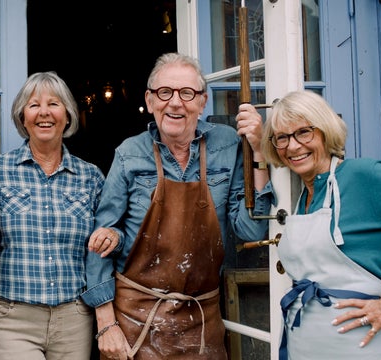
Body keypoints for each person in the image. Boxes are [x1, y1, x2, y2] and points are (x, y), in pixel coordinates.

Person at [81, 52, 274, 359]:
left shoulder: (228, 146)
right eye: (164, 92)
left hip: (201, 321)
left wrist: (259, 153)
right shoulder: (129, 154)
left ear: (203, 101)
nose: (175, 103)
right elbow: (101, 239)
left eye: (187, 93)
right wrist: (106, 324)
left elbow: (251, 229)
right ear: (150, 99)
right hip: (135, 318)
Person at [261, 90, 381, 359]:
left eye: (304, 132)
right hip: (302, 345)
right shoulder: (303, 195)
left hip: (360, 348)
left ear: (325, 131)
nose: (292, 146)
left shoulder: (366, 177)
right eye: (282, 137)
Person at [0, 71, 106, 359]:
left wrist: (112, 234)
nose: (44, 113)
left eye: (54, 104)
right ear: (22, 117)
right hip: (10, 315)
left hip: (73, 316)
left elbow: (108, 240)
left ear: (67, 115)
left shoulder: (90, 176)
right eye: (34, 105)